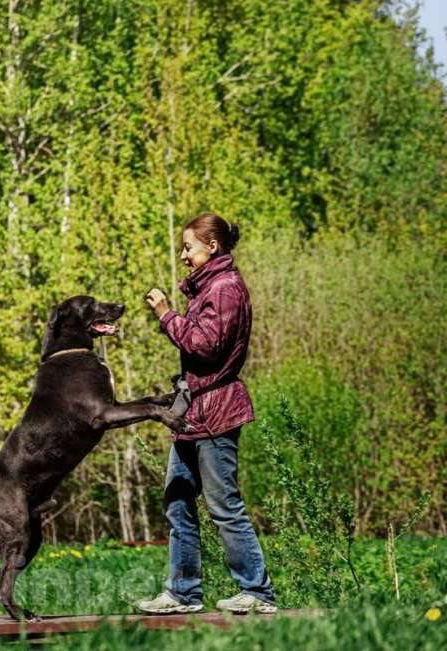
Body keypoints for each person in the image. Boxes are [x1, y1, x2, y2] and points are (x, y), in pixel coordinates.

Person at [135, 212, 277, 615]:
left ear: (211, 246)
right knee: (178, 501)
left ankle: (258, 592)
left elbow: (204, 346)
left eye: (188, 247)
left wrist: (166, 314)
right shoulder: (207, 289)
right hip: (191, 416)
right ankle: (182, 593)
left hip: (216, 415)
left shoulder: (226, 288)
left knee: (223, 506)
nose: (183, 255)